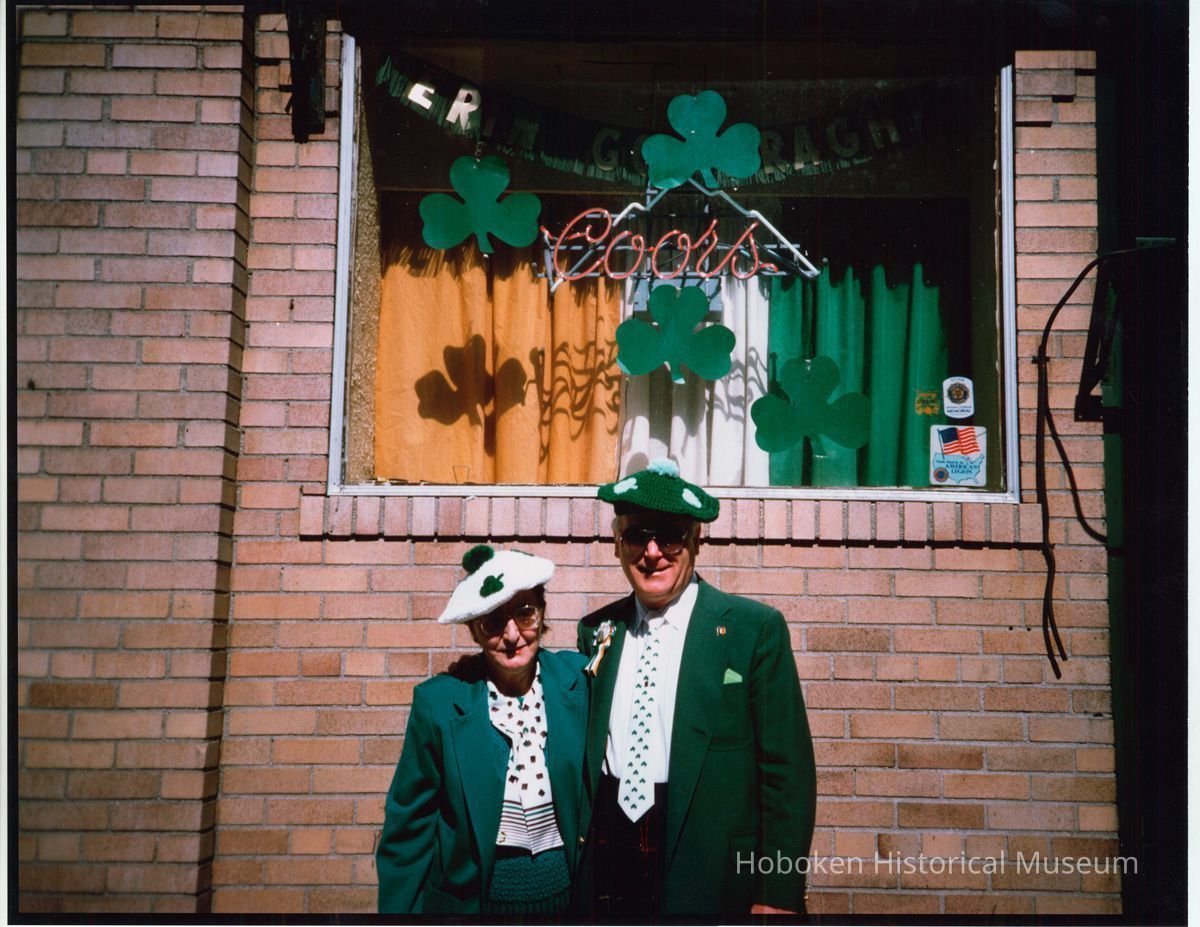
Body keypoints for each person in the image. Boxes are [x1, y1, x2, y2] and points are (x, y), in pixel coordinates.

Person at [576, 458, 817, 918]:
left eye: (669, 536)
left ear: (696, 541)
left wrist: (779, 890)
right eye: (636, 535)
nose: (652, 552)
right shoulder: (595, 630)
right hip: (612, 853)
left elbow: (787, 775)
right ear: (615, 543)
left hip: (708, 867)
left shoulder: (752, 630)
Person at [376, 545, 588, 914]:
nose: (511, 635)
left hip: (567, 902)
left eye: (524, 614)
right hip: (476, 907)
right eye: (492, 621)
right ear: (474, 631)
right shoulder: (438, 704)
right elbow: (408, 830)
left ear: (542, 613)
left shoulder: (580, 681)